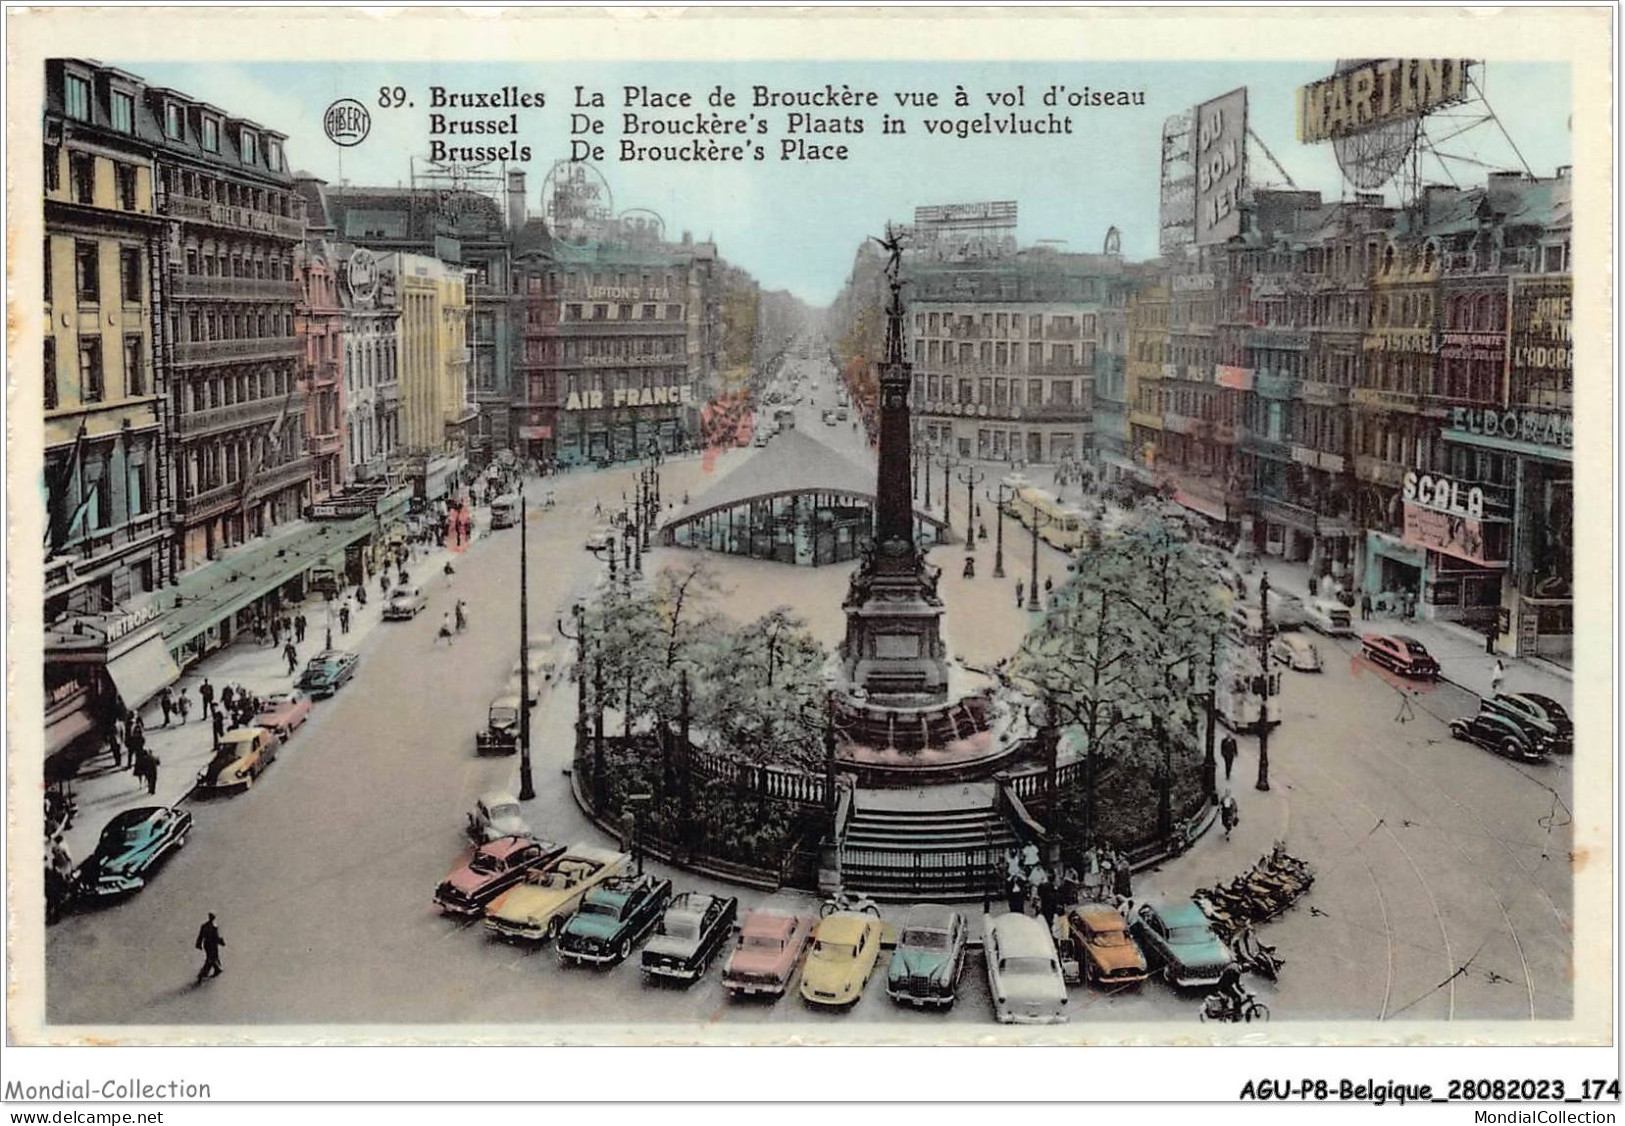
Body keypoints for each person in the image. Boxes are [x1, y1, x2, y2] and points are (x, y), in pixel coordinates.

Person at [195, 913, 226, 983]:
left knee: (212, 957)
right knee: (211, 959)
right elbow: (216, 937)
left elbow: (200, 936)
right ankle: (203, 973)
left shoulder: (204, 926)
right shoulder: (214, 927)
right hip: (212, 944)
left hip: (207, 944)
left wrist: (199, 944)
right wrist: (221, 942)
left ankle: (216, 969)